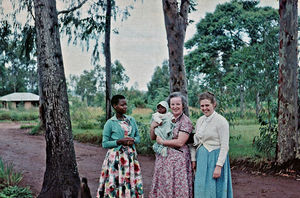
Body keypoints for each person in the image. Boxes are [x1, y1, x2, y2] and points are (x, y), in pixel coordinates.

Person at [96, 94, 144, 198]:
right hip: (116, 158)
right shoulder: (110, 123)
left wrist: (133, 140)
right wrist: (119, 141)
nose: (125, 107)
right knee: (116, 181)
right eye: (122, 105)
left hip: (130, 157)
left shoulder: (131, 120)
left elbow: (138, 138)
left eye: (126, 104)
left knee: (130, 180)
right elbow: (105, 143)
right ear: (115, 106)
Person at [149, 92, 194, 198]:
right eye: (172, 104)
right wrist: (152, 127)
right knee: (163, 184)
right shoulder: (164, 118)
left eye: (178, 104)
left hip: (178, 160)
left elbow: (180, 142)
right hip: (163, 158)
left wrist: (162, 142)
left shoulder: (185, 121)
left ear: (183, 105)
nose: (175, 107)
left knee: (176, 186)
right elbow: (152, 138)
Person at [190, 91, 233, 198]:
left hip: (215, 158)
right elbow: (196, 141)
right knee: (201, 188)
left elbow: (224, 146)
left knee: (214, 189)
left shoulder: (221, 121)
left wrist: (218, 166)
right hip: (202, 158)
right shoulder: (200, 120)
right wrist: (194, 159)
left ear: (214, 104)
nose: (205, 108)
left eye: (207, 105)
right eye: (202, 106)